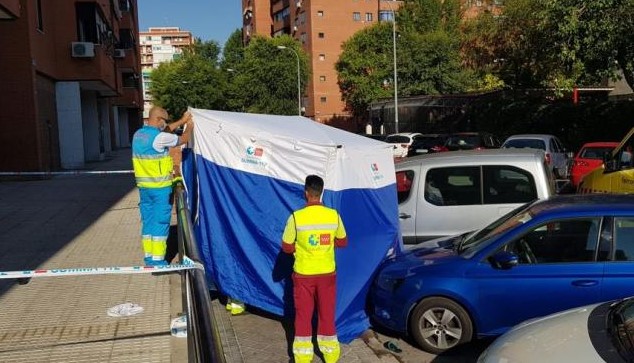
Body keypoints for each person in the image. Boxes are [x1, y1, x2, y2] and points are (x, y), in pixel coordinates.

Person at [281, 175, 348, 363]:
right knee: (326, 314)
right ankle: (331, 354)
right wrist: (326, 244)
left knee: (303, 316)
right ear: (322, 193)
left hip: (303, 274)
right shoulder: (333, 215)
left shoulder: (296, 217)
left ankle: (302, 357)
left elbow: (286, 246)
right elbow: (343, 242)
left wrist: (301, 249)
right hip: (327, 274)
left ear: (305, 193)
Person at [132, 106, 193, 266]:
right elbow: (183, 139)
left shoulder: (139, 134)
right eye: (164, 121)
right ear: (158, 119)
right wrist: (190, 126)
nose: (165, 124)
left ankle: (149, 257)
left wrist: (181, 120)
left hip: (144, 188)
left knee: (149, 222)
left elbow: (166, 131)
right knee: (160, 223)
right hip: (160, 189)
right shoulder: (159, 138)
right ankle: (158, 261)